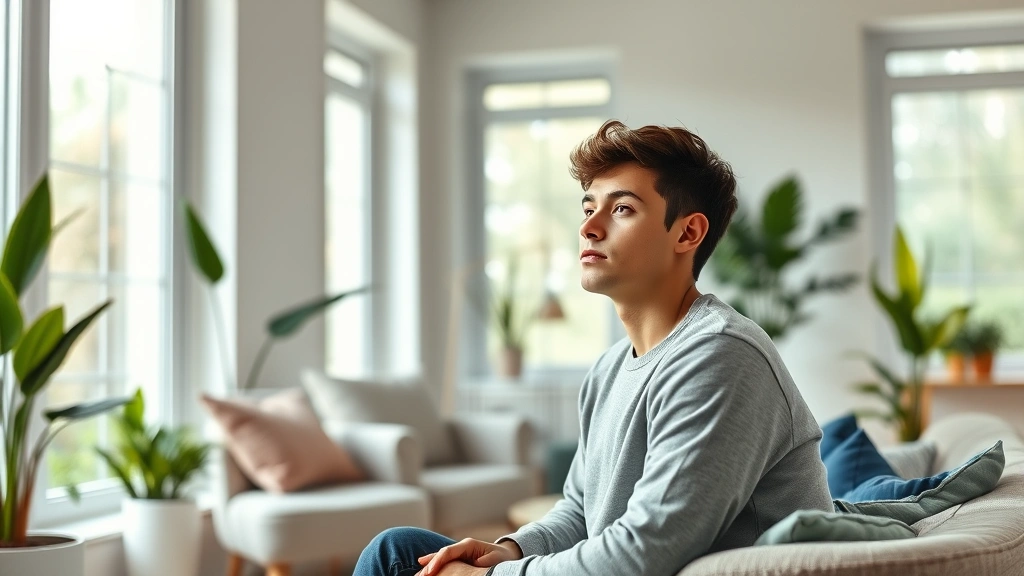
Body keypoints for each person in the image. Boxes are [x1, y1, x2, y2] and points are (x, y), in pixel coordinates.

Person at [353, 120, 832, 576]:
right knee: (400, 550)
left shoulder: (720, 357)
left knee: (396, 560)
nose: (589, 227)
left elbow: (643, 554)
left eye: (621, 209)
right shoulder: (608, 369)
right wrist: (509, 550)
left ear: (687, 233)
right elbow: (582, 511)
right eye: (588, 209)